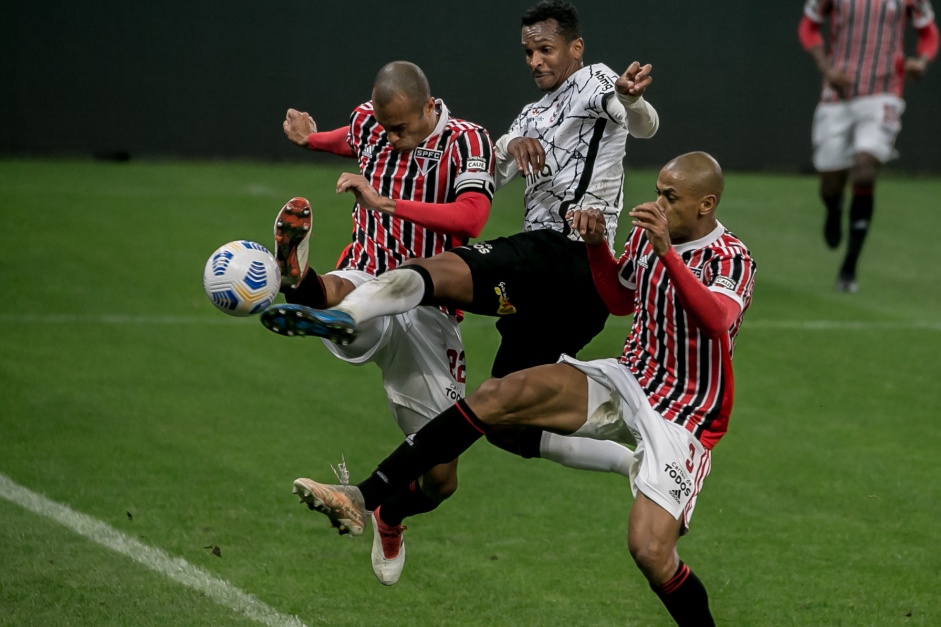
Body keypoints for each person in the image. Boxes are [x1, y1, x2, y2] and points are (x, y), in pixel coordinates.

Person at [289, 152, 756, 627]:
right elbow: (619, 299)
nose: (658, 202)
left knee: (651, 551)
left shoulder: (732, 258)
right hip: (630, 375)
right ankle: (365, 497)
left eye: (670, 197)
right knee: (498, 396)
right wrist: (597, 247)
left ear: (706, 205)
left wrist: (667, 255)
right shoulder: (647, 234)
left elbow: (716, 320)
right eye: (657, 190)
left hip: (686, 412)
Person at [271, 59, 637, 586]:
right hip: (372, 270)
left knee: (441, 478)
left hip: (431, 313)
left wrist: (388, 202)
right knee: (352, 299)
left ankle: (389, 514)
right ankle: (307, 289)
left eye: (401, 127)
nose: (390, 138)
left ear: (428, 107)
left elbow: (470, 219)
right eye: (383, 127)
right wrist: (313, 140)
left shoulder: (467, 141)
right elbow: (351, 137)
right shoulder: (373, 124)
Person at [264, 0, 656, 471]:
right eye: (528, 52)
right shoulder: (529, 115)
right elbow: (479, 160)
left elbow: (641, 124)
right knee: (504, 423)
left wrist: (632, 99)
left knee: (446, 462)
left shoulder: (593, 83)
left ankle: (341, 318)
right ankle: (636, 461)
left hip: (559, 258)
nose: (535, 61)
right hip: (503, 272)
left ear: (575, 47)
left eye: (545, 50)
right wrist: (314, 139)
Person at [799, 0, 938, 292]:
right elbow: (809, 26)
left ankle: (849, 267)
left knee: (864, 169)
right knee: (830, 184)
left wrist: (921, 62)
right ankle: (834, 208)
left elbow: (928, 33)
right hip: (838, 92)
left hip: (884, 93)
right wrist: (826, 69)